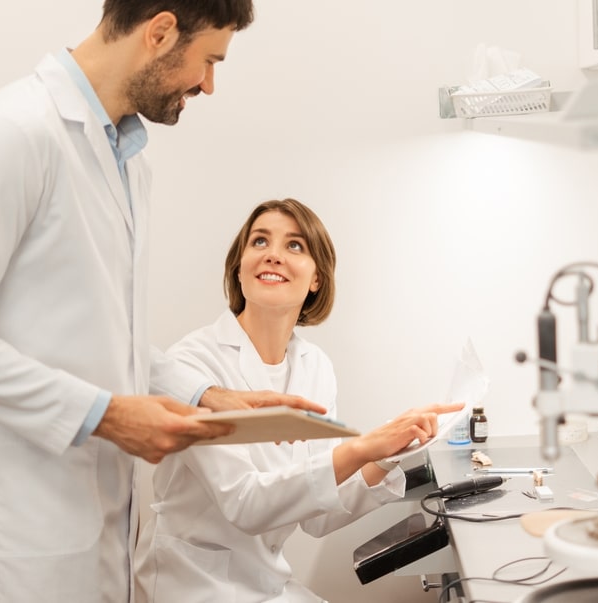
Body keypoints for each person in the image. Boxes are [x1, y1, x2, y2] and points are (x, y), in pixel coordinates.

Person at [0, 0, 323, 603]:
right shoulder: (6, 134)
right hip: (17, 541)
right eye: (209, 60)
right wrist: (104, 414)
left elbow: (105, 334)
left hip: (102, 527)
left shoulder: (126, 162)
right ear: (160, 32)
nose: (209, 84)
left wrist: (208, 393)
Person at [134, 198, 463, 602]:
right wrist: (361, 447)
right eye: (259, 242)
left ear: (316, 280)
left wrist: (386, 455)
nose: (273, 255)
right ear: (239, 267)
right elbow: (247, 503)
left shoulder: (314, 366)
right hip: (193, 584)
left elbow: (318, 515)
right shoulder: (194, 365)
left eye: (294, 246)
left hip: (265, 582)